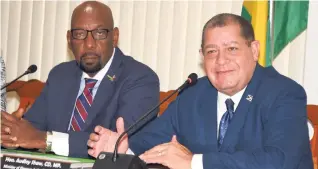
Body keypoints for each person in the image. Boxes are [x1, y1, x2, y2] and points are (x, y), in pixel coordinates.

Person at [87, 13, 313, 169]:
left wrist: (194, 162)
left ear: (254, 50)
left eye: (232, 49)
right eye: (211, 51)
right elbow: (150, 141)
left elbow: (279, 161)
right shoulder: (193, 95)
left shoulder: (284, 93)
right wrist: (124, 147)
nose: (221, 60)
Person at [1, 1, 159, 158]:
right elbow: (31, 130)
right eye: (79, 34)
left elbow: (115, 143)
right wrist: (11, 132)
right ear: (69, 40)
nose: (89, 44)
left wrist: (45, 140)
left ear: (115, 36)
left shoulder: (140, 79)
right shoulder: (60, 75)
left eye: (99, 33)